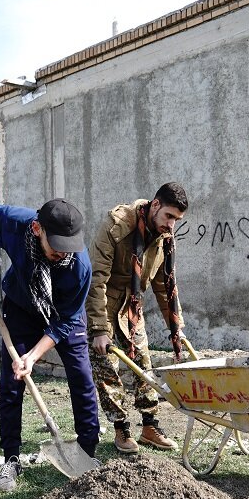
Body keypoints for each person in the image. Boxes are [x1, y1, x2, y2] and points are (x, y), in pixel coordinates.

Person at [0, 199, 100, 492]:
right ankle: (11, 458)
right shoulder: (13, 223)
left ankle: (87, 453)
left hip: (64, 314)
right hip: (23, 307)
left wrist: (34, 356)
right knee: (12, 383)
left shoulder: (79, 266)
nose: (63, 254)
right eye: (56, 247)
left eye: (69, 247)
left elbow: (64, 323)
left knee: (81, 378)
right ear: (37, 229)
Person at [87, 182, 189, 453]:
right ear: (155, 205)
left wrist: (176, 327)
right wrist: (99, 329)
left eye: (177, 220)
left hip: (133, 302)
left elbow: (164, 285)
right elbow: (96, 280)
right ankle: (121, 429)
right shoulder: (116, 226)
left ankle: (149, 426)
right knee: (106, 365)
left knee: (143, 362)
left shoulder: (163, 236)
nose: (171, 225)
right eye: (169, 216)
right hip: (105, 301)